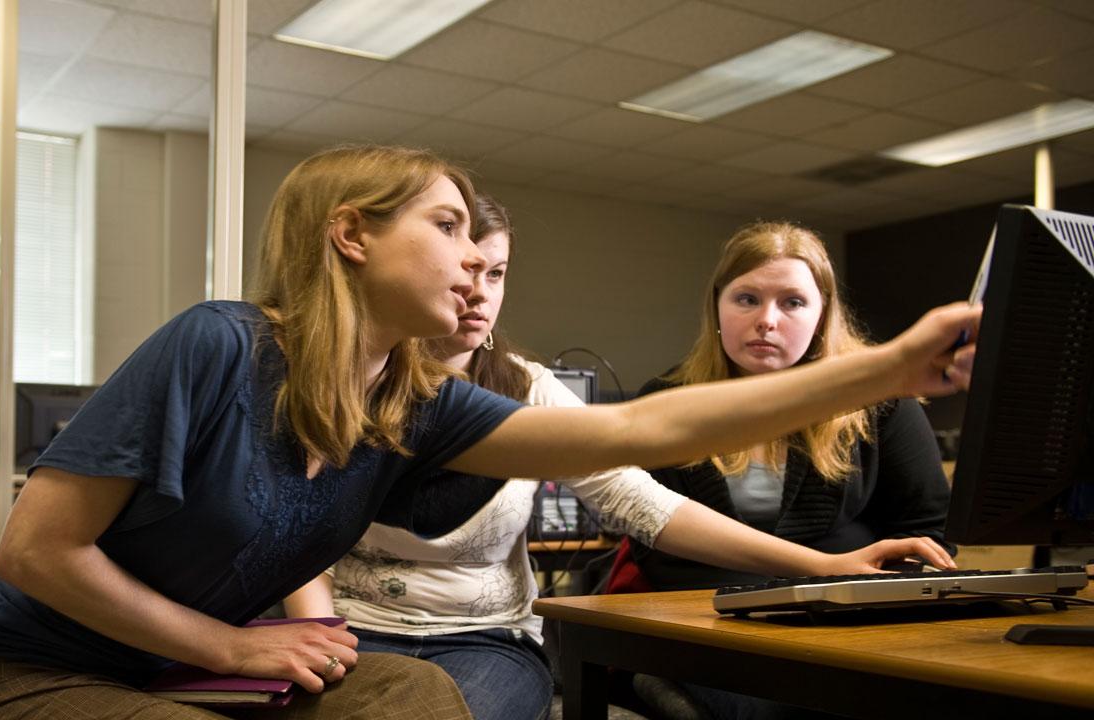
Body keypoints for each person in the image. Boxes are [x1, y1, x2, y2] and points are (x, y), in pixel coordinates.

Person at [0, 145, 977, 720]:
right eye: (449, 228)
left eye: (483, 243)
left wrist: (883, 367)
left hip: (191, 670)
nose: (478, 263)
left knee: (418, 695)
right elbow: (32, 551)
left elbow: (644, 430)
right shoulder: (219, 346)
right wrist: (233, 642)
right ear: (351, 237)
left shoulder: (412, 405)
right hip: (26, 673)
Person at [283, 201, 957, 720]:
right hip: (352, 629)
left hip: (485, 637)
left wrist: (828, 570)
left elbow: (640, 493)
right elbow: (290, 523)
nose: (476, 294)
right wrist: (313, 632)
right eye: (462, 271)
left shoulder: (531, 389)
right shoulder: (322, 381)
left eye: (495, 273)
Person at [605, 220, 955, 720]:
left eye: (792, 302)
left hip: (848, 621)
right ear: (718, 307)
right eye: (747, 299)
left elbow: (926, 532)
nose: (767, 320)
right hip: (708, 624)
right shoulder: (665, 402)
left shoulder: (880, 403)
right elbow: (656, 541)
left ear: (821, 315)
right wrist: (793, 582)